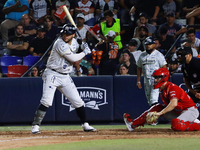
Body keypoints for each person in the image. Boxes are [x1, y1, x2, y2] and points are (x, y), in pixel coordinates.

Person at [31, 24, 96, 134]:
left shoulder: (75, 41)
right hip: (52, 73)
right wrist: (85, 52)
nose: (65, 36)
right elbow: (73, 58)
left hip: (65, 75)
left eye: (68, 34)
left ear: (73, 35)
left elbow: (78, 45)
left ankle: (85, 124)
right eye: (64, 33)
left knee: (78, 101)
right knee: (46, 101)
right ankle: (35, 126)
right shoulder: (59, 43)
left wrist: (84, 44)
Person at [124, 68, 200, 131]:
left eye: (157, 78)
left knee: (176, 125)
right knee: (157, 107)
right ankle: (133, 125)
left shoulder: (172, 88)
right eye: (155, 78)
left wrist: (160, 113)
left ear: (164, 78)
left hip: (189, 111)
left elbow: (174, 104)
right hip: (179, 111)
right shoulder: (163, 89)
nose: (155, 80)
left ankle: (196, 125)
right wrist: (157, 111)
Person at [137, 36, 167, 106]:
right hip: (146, 79)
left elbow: (164, 67)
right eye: (147, 44)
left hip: (156, 80)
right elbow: (139, 67)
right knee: (149, 100)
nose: (148, 46)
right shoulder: (142, 54)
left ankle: (154, 114)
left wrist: (163, 80)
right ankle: (153, 115)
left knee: (154, 100)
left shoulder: (158, 55)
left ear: (154, 45)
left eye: (150, 44)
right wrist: (138, 80)